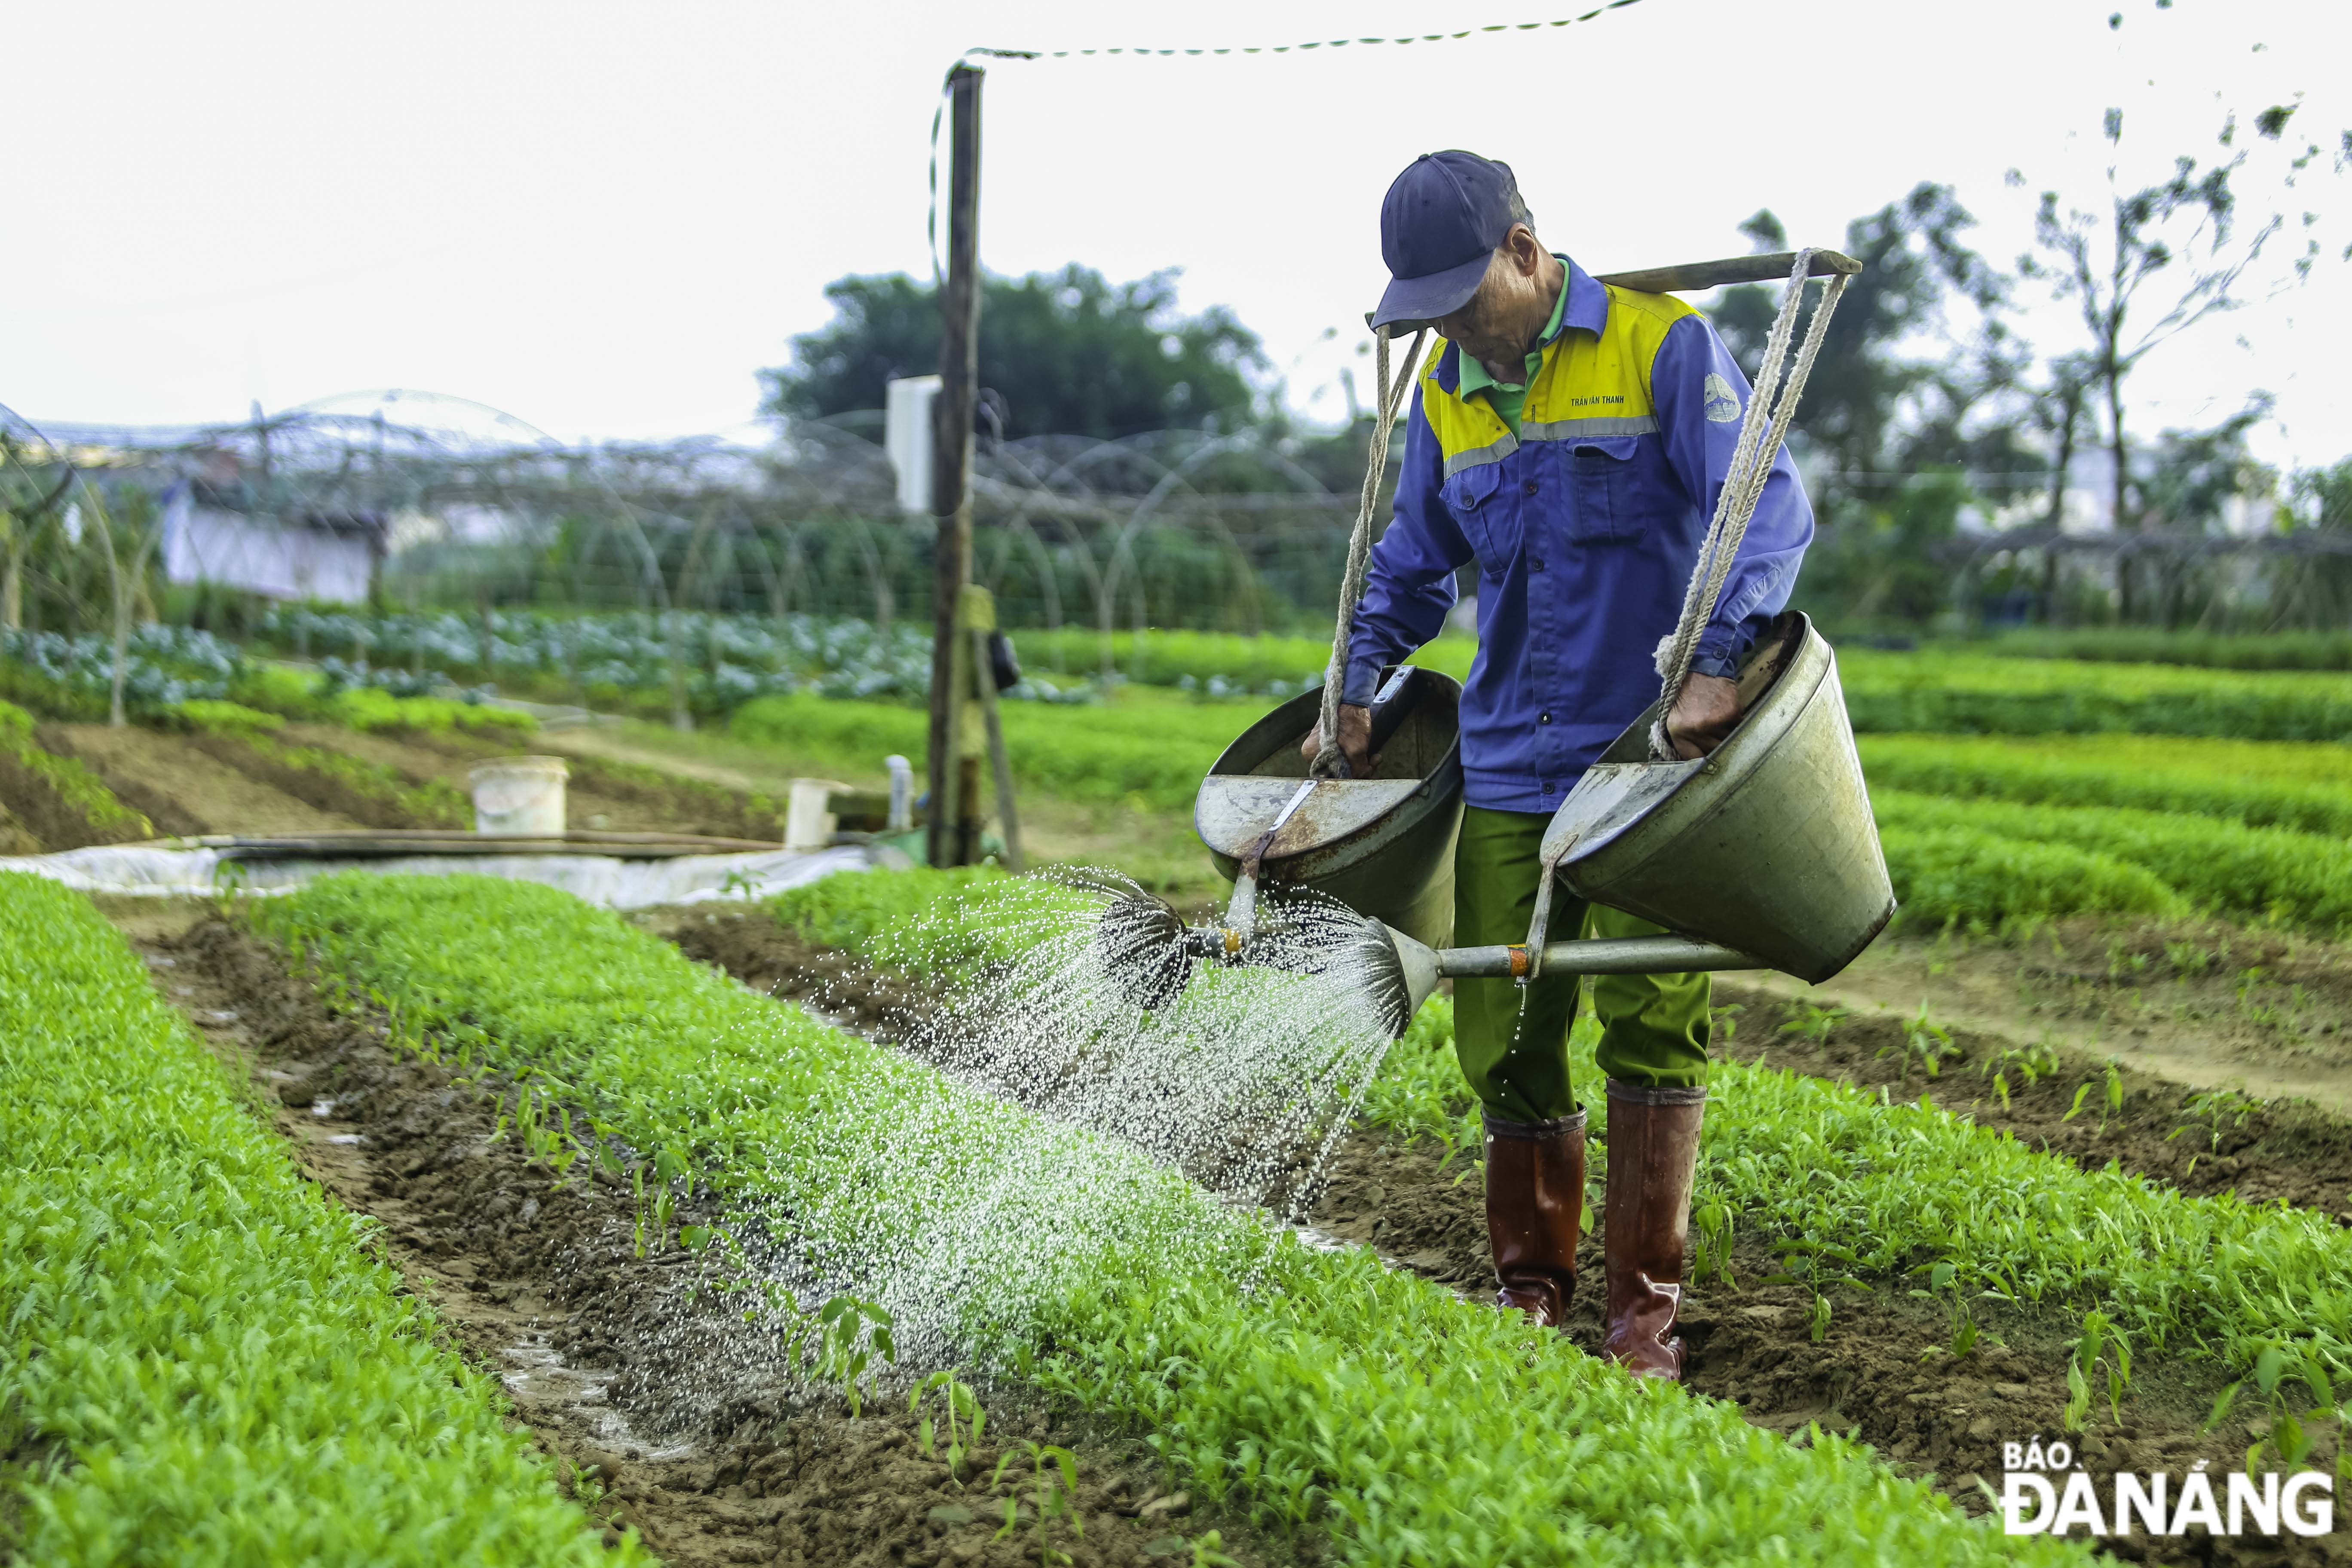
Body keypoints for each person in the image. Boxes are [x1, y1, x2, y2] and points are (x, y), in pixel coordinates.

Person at [1305, 150, 1813, 1380]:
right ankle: (1531, 1291)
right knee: (1507, 1031)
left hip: (1645, 766)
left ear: (1525, 256)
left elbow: (1766, 506)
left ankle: (1643, 1318)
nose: (1449, 331)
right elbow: (1410, 560)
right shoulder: (1446, 393)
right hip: (1507, 766)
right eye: (1423, 313)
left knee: (1651, 1022)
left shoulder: (1660, 346)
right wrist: (1355, 685)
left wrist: (1716, 665)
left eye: (1461, 300)